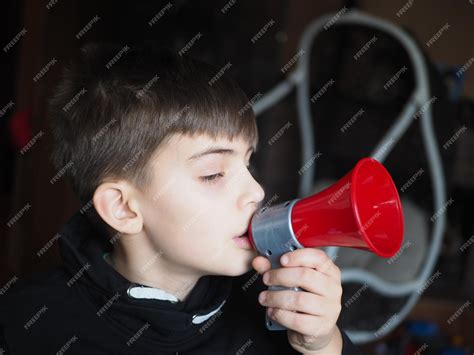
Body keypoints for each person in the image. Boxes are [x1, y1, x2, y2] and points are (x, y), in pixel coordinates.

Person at [0, 43, 362, 354]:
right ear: (123, 208)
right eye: (213, 174)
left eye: (248, 162)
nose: (257, 191)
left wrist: (324, 343)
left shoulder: (273, 307)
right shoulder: (25, 322)